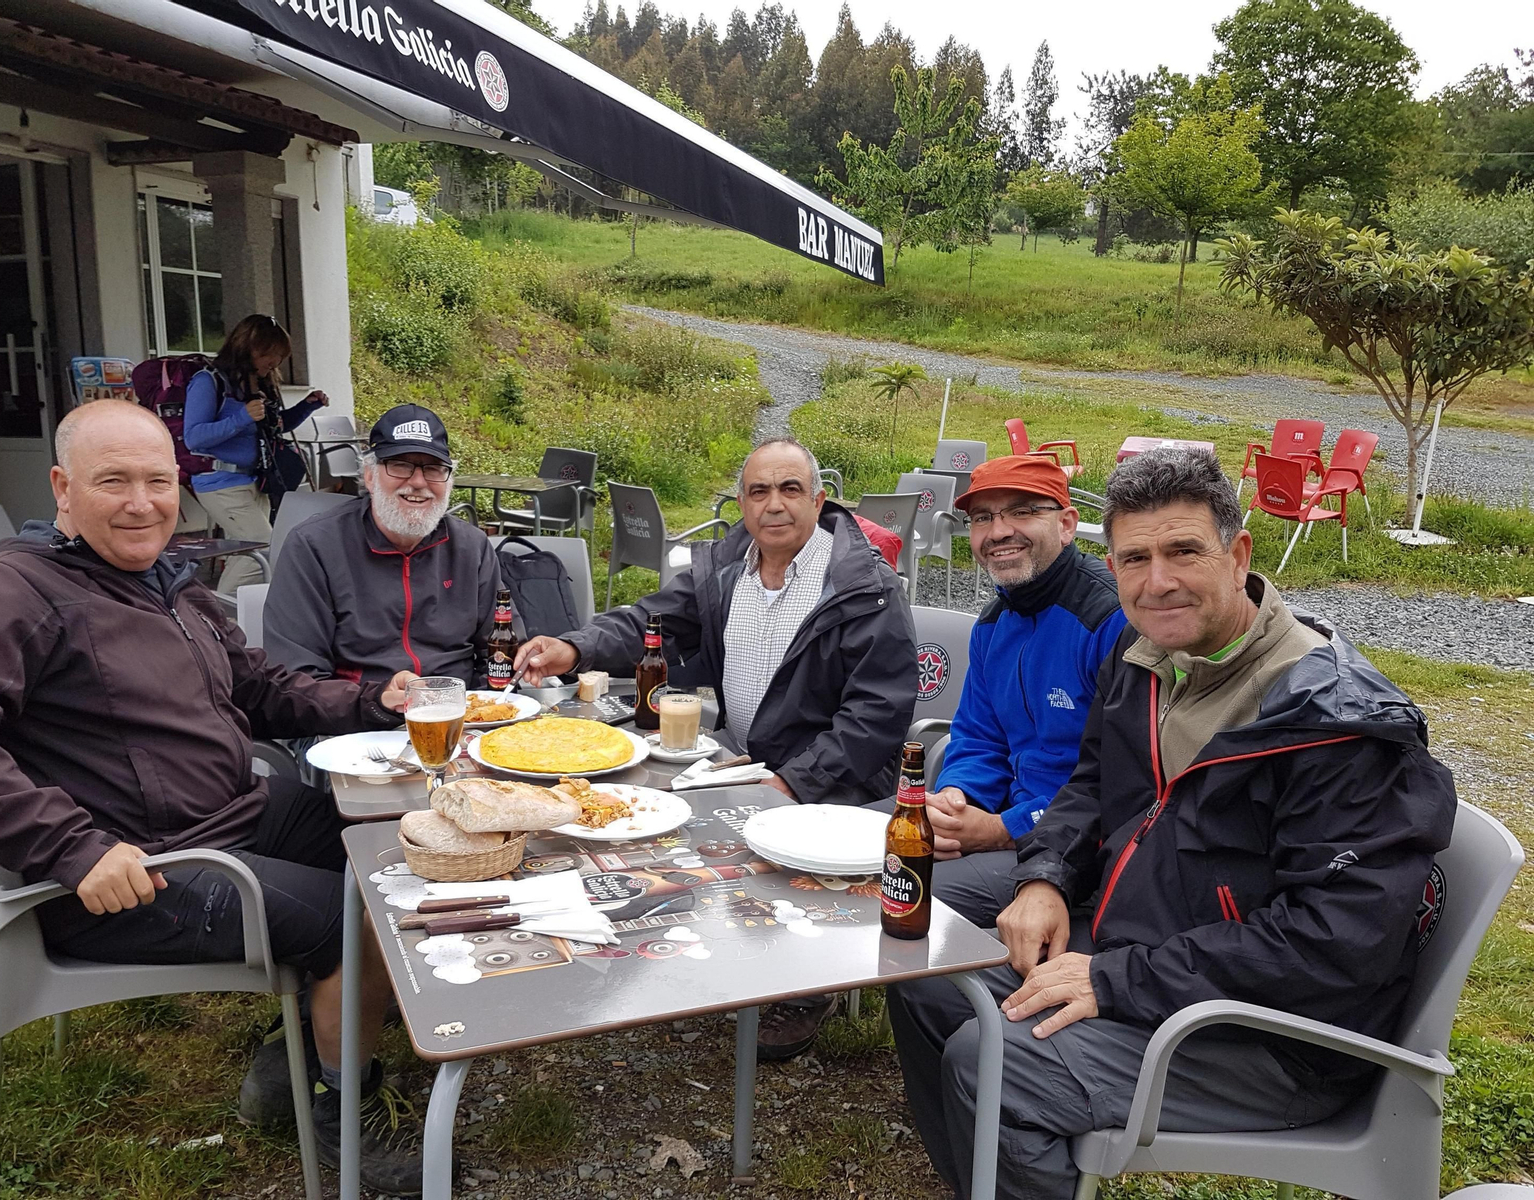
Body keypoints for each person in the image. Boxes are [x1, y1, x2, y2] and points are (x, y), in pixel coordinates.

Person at [887, 448, 1456, 1200]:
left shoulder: (1333, 719)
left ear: (1239, 554)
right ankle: (982, 1181)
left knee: (994, 1062)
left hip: (1268, 1031)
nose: (1158, 582)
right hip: (1149, 947)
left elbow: (1335, 941)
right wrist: (1046, 878)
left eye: (1184, 551)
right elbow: (1090, 784)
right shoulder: (1146, 653)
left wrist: (1116, 978)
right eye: (1135, 558)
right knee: (930, 976)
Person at [0, 400, 425, 1194]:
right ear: (62, 487)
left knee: (397, 843)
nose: (142, 502)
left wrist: (375, 702)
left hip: (228, 817)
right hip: (134, 868)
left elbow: (260, 689)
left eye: (158, 481)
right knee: (360, 916)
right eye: (113, 481)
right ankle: (341, 1115)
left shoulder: (169, 584)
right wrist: (71, 848)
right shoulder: (13, 592)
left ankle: (307, 1033)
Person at [517, 436, 917, 1059]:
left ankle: (807, 985)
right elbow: (650, 618)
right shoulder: (726, 570)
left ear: (819, 499)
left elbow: (876, 717)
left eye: (791, 490)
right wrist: (577, 647)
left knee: (711, 819)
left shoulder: (865, 589)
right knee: (636, 806)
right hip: (744, 756)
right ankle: (699, 944)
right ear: (741, 503)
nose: (774, 505)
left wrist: (791, 783)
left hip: (835, 778)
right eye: (759, 492)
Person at [922, 455, 1125, 928]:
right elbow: (977, 737)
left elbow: (1118, 781)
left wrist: (998, 830)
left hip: (1082, 850)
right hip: (1012, 819)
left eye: (1022, 511)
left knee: (914, 887)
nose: (998, 531)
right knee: (883, 845)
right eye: (982, 518)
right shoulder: (993, 624)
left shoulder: (1112, 621)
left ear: (1068, 524)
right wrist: (957, 799)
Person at [264, 403, 510, 687]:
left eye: (433, 468)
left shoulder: (471, 547)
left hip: (462, 716)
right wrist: (375, 705)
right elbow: (296, 678)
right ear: (369, 476)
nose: (418, 482)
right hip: (355, 721)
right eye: (400, 465)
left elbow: (500, 651)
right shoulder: (315, 546)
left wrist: (483, 712)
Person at [183, 314, 327, 594]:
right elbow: (194, 437)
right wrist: (241, 418)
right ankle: (219, 618)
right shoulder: (208, 381)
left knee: (247, 555)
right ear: (247, 348)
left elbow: (275, 426)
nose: (274, 362)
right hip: (219, 482)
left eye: (279, 356)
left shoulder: (257, 383)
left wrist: (307, 407)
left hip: (255, 482)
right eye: (269, 354)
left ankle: (244, 620)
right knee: (262, 547)